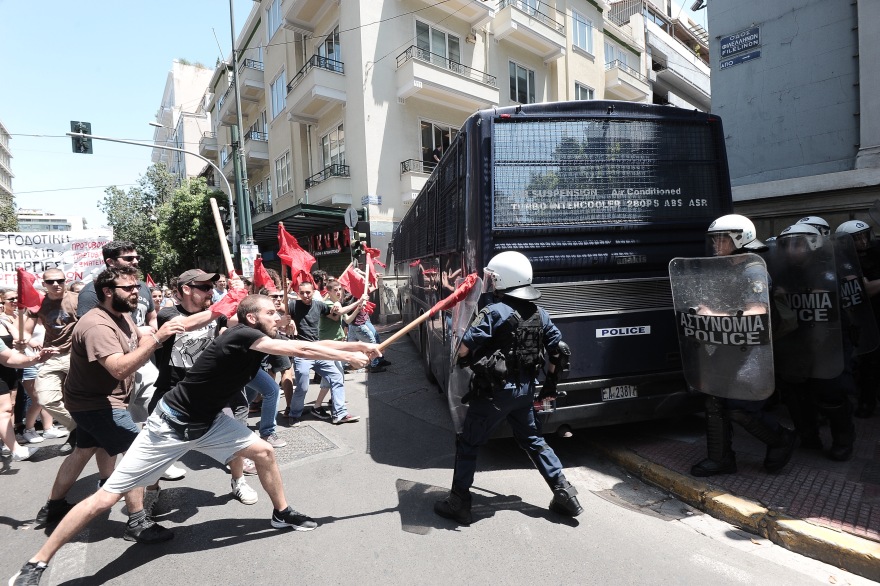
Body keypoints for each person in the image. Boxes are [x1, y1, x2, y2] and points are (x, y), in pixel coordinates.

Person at [9, 294, 378, 586]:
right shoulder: (243, 335)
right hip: (169, 426)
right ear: (252, 318)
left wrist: (356, 348)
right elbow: (304, 351)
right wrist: (352, 356)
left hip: (210, 422)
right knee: (106, 497)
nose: (277, 313)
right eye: (270, 311)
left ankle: (282, 513)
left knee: (263, 451)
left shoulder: (261, 336)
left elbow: (301, 343)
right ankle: (36, 562)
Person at [32, 266, 186, 537]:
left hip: (93, 401)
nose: (136, 292)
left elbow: (142, 336)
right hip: (97, 403)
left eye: (136, 286)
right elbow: (119, 369)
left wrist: (160, 333)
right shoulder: (97, 325)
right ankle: (137, 522)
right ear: (107, 292)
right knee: (138, 453)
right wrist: (156, 339)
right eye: (128, 288)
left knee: (84, 450)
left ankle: (53, 507)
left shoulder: (121, 314)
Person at [434, 251, 583, 525]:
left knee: (468, 444)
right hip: (524, 393)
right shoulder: (540, 314)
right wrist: (549, 385)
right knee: (534, 441)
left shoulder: (494, 312)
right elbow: (560, 351)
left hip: (493, 394)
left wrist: (466, 360)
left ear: (501, 280)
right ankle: (565, 493)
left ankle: (459, 503)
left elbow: (465, 345)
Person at [687, 214, 795, 477]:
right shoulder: (726, 265)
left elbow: (756, 311)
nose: (715, 243)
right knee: (714, 400)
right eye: (713, 238)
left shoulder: (752, 270)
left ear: (740, 238)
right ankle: (721, 459)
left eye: (721, 238)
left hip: (750, 349)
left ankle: (781, 439)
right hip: (726, 344)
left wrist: (711, 315)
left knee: (741, 407)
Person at [288, 281, 359, 425]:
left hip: (318, 349)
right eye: (302, 293)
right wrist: (287, 323)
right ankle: (294, 414)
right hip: (302, 351)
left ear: (313, 292)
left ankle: (340, 414)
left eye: (308, 292)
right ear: (298, 293)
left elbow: (334, 316)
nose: (305, 295)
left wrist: (338, 306)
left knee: (337, 377)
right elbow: (282, 318)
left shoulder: (319, 305)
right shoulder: (292, 306)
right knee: (302, 386)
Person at [836, 219, 880, 417]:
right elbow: (865, 290)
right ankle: (866, 402)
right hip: (859, 319)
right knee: (868, 362)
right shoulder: (843, 261)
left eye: (864, 236)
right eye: (857, 238)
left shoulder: (875, 254)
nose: (863, 241)